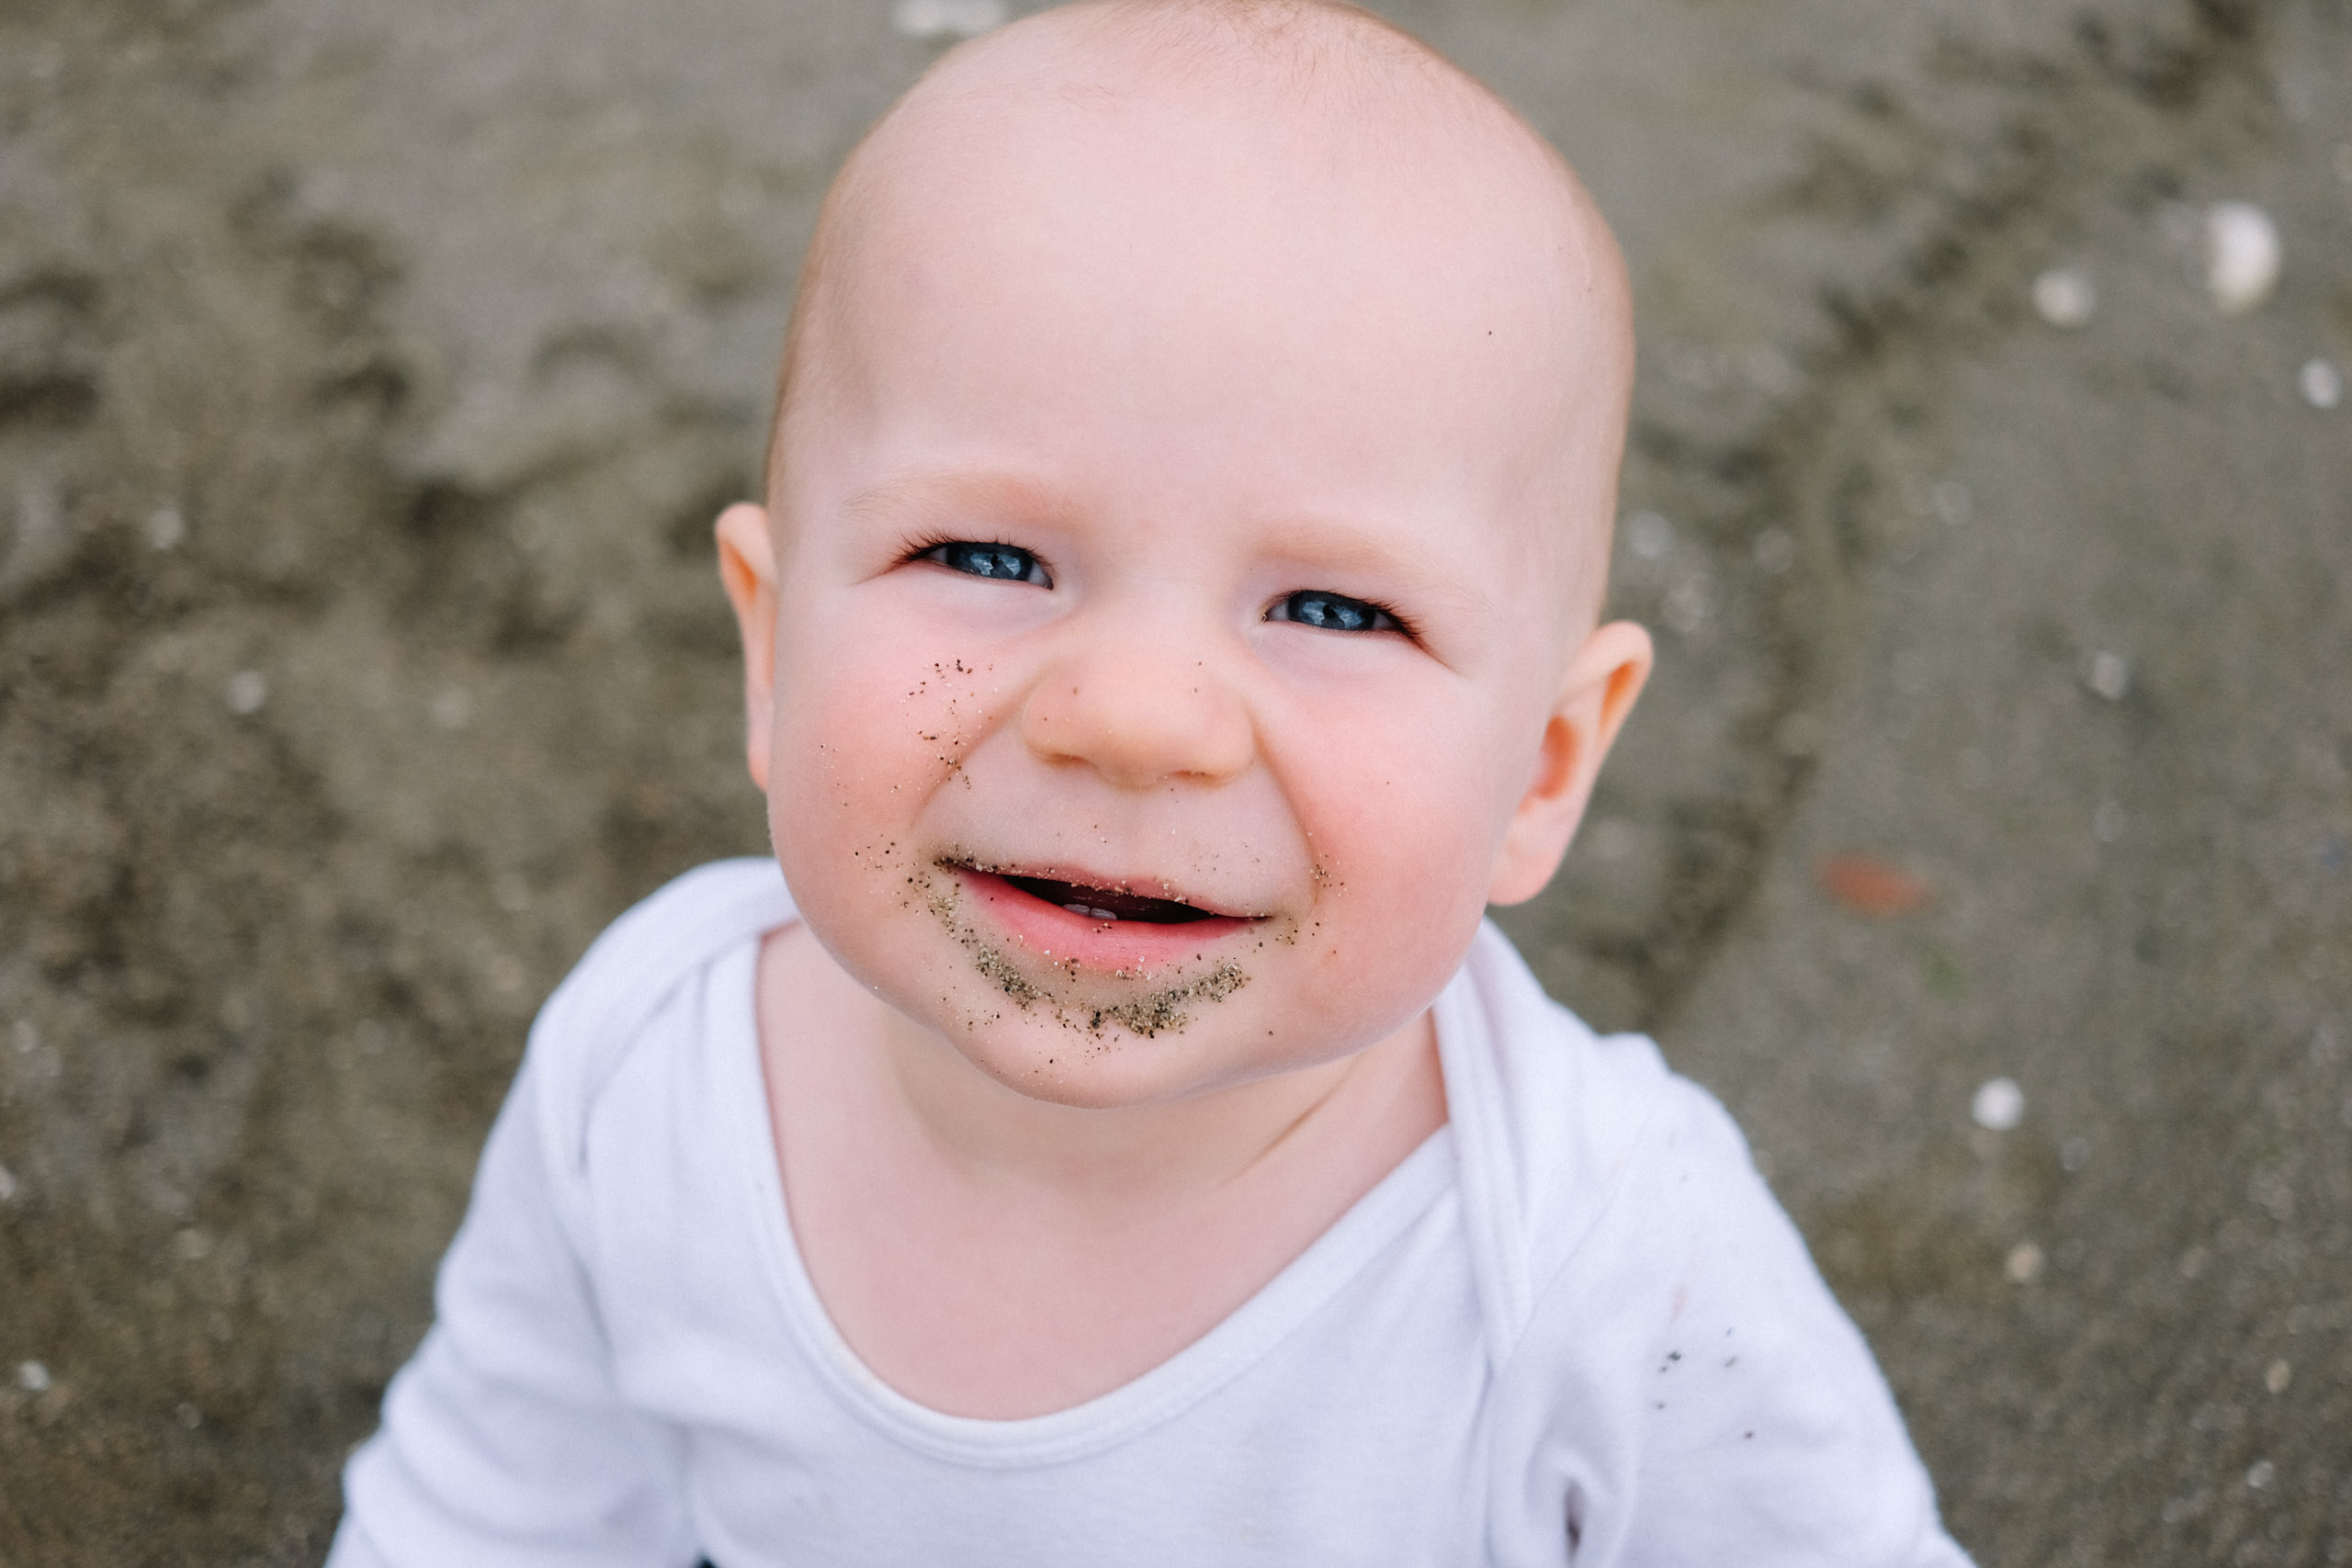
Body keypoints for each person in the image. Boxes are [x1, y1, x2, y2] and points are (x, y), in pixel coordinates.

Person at [330, 0, 1973, 1561]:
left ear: (1542, 771)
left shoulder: (1620, 1275)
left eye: (1335, 609)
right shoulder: (650, 1077)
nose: (1134, 716)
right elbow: (488, 1516)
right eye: (985, 553)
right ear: (772, 653)